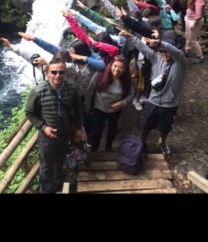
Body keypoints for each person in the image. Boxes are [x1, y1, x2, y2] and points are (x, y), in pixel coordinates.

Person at [26, 58, 83, 193]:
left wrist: (78, 128)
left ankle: (58, 182)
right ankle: (45, 190)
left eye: (61, 72)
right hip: (47, 137)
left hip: (65, 133)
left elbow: (78, 110)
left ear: (65, 73)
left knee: (60, 159)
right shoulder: (38, 91)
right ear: (48, 73)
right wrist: (43, 127)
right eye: (54, 72)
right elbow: (29, 112)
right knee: (46, 165)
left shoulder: (72, 89)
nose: (58, 75)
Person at [124, 32, 187, 155]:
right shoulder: (158, 59)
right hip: (153, 100)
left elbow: (178, 53)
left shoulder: (181, 63)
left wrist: (160, 42)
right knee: (146, 124)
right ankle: (141, 142)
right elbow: (145, 49)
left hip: (169, 104)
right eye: (162, 52)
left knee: (165, 128)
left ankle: (162, 142)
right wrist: (130, 37)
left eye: (166, 52)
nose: (163, 54)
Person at [84, 55, 134, 152]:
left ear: (125, 69)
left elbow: (131, 94)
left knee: (112, 130)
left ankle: (108, 147)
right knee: (97, 131)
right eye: (115, 66)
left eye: (121, 67)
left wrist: (123, 102)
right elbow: (89, 91)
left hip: (115, 110)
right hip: (99, 108)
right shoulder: (100, 75)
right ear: (110, 66)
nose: (117, 69)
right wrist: (87, 104)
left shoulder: (126, 80)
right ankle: (94, 149)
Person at [184, 0, 206, 64]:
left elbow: (199, 15)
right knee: (187, 35)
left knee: (193, 40)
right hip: (188, 19)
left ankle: (200, 57)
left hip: (193, 22)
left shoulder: (199, 0)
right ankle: (187, 50)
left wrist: (194, 24)